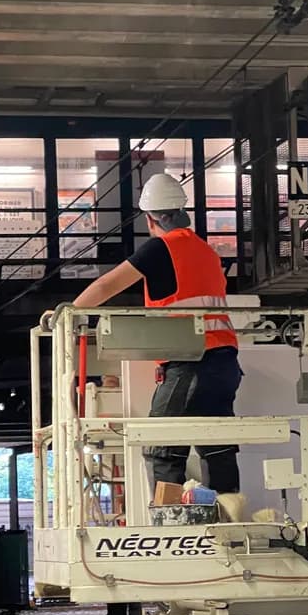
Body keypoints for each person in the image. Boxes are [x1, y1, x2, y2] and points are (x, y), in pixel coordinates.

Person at [71, 172, 242, 491]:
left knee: (162, 449)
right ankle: (229, 513)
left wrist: (68, 313)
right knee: (217, 448)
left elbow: (107, 285)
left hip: (189, 363)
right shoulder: (207, 251)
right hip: (225, 364)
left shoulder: (161, 248)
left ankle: (170, 517)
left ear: (151, 219)